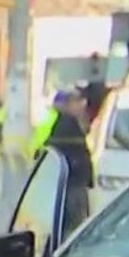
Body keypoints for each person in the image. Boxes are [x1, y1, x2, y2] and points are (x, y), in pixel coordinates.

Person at [46, 88, 94, 235]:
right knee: (72, 227)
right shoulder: (66, 125)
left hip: (71, 182)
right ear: (67, 104)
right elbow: (75, 154)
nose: (81, 105)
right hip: (71, 184)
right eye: (77, 101)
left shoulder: (70, 123)